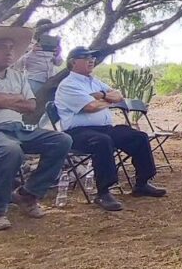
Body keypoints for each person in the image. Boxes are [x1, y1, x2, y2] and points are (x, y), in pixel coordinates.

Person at [0, 26, 73, 231]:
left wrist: (3, 99)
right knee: (9, 150)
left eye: (11, 48)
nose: (9, 52)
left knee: (62, 140)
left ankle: (28, 195)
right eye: (2, 48)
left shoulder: (17, 76)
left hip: (16, 128)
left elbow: (31, 105)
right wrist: (13, 99)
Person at [54, 47, 167, 211]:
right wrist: (106, 100)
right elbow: (90, 107)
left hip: (104, 128)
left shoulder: (94, 81)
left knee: (138, 136)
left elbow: (118, 96)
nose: (91, 59)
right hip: (78, 133)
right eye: (85, 57)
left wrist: (102, 96)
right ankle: (103, 192)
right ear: (73, 62)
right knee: (102, 141)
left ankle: (142, 183)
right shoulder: (68, 85)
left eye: (92, 56)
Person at [15, 19, 63, 96]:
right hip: (33, 80)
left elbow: (59, 63)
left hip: (50, 81)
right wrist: (32, 51)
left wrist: (58, 53)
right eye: (44, 29)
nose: (46, 32)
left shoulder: (51, 43)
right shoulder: (28, 43)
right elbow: (18, 64)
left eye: (49, 30)